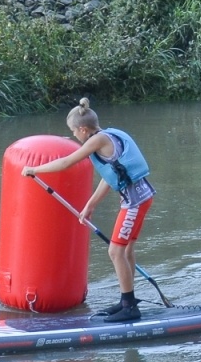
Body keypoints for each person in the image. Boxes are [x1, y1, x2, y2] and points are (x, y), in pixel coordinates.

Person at [22, 98, 155, 323]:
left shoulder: (97, 140)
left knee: (115, 252)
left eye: (73, 131)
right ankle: (126, 301)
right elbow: (111, 176)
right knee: (126, 251)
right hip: (141, 198)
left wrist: (34, 169)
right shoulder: (110, 135)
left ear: (83, 129)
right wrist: (90, 205)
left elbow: (66, 163)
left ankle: (129, 306)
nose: (74, 135)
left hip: (134, 202)